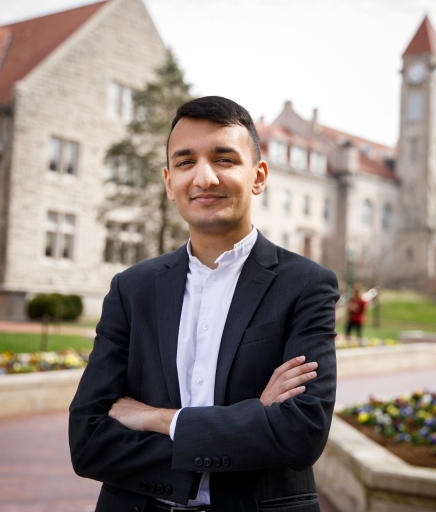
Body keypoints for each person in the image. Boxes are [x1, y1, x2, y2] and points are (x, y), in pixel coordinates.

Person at [69, 96, 339, 512]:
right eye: (185, 162)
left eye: (224, 159)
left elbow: (299, 434)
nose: (204, 177)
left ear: (258, 176)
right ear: (168, 181)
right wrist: (253, 417)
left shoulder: (305, 286)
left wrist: (161, 419)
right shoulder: (131, 289)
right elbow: (87, 441)